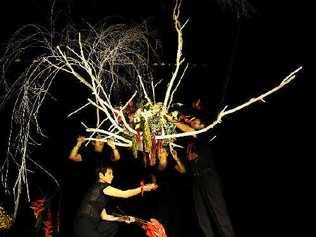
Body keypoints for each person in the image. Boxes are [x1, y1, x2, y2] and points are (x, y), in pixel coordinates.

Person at [165, 103, 236, 237]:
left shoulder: (205, 134)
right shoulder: (190, 143)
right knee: (201, 215)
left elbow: (187, 128)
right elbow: (183, 170)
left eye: (196, 121)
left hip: (208, 176)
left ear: (203, 125)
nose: (193, 122)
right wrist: (177, 160)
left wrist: (169, 118)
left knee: (218, 210)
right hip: (196, 179)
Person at [73, 165, 158, 237]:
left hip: (92, 224)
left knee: (113, 226)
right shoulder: (101, 186)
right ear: (101, 175)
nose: (112, 176)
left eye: (112, 174)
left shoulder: (100, 195)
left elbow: (105, 216)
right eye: (109, 173)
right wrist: (143, 188)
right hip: (84, 224)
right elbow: (125, 194)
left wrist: (122, 218)